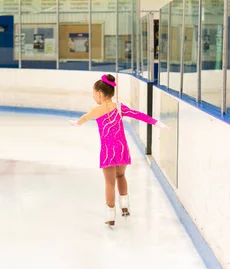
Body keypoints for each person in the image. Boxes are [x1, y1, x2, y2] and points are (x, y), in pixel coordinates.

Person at [69, 74, 167, 227]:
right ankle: (125, 206)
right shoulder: (120, 107)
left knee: (109, 182)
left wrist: (76, 123)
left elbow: (84, 118)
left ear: (99, 94)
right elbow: (138, 115)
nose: (93, 96)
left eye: (94, 93)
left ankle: (110, 215)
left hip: (108, 151)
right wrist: (156, 122)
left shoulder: (96, 110)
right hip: (121, 149)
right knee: (120, 176)